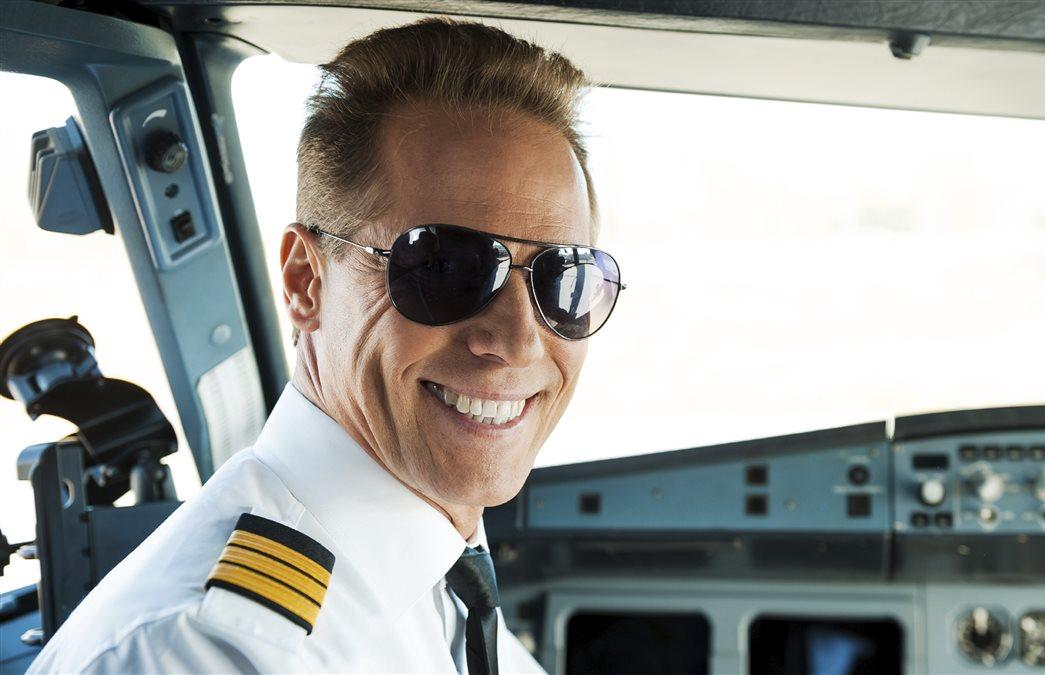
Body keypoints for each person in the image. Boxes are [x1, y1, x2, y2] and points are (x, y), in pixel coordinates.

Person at [29, 17, 622, 674]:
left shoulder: (442, 574)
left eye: (563, 278)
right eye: (445, 269)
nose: (517, 341)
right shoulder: (208, 652)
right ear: (305, 281)